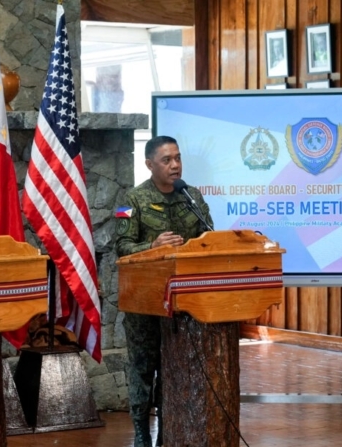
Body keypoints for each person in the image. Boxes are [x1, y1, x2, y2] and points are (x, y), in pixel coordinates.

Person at [114, 136, 213, 447]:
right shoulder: (130, 199)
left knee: (173, 368)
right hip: (144, 303)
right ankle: (142, 433)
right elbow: (121, 247)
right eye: (167, 160)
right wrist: (152, 246)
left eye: (178, 158)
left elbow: (209, 238)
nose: (175, 165)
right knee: (144, 368)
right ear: (149, 164)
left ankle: (167, 431)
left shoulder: (191, 196)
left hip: (182, 303)